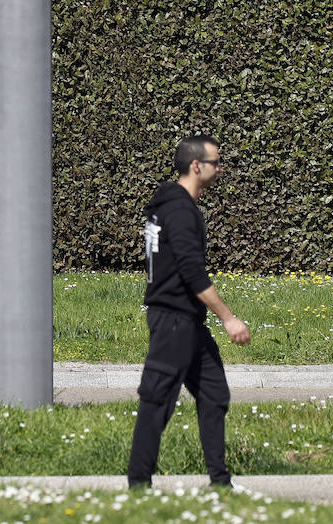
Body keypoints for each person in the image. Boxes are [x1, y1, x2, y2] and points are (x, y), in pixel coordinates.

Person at [127, 135, 251, 489]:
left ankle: (221, 483)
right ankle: (138, 486)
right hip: (173, 321)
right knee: (157, 401)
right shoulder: (180, 211)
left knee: (214, 393)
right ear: (197, 166)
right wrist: (228, 317)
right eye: (215, 162)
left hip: (188, 322)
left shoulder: (167, 206)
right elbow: (191, 271)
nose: (220, 168)